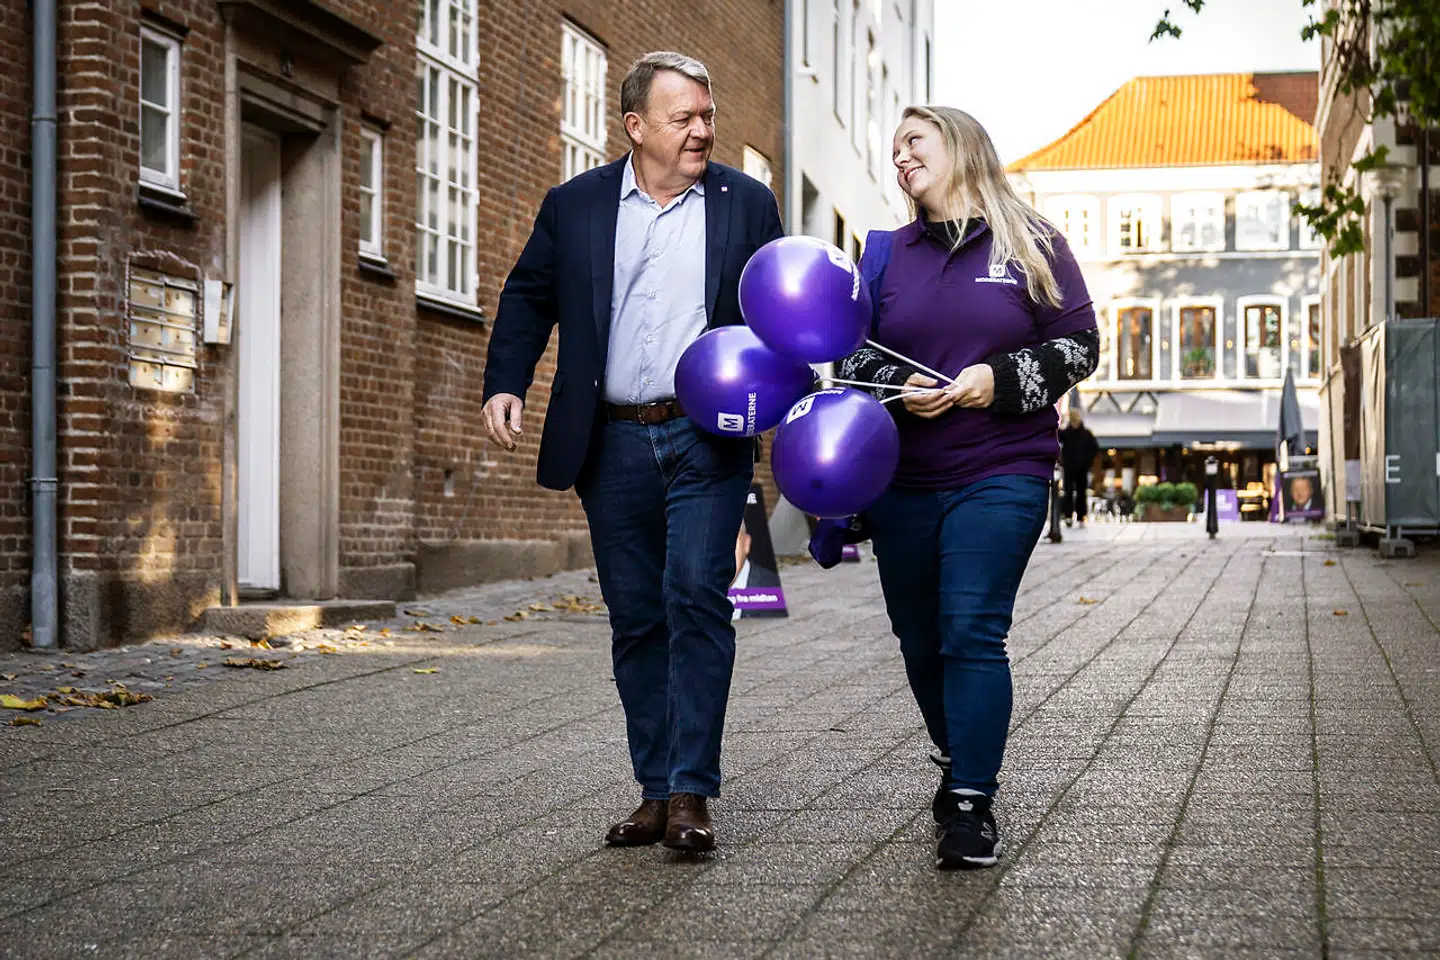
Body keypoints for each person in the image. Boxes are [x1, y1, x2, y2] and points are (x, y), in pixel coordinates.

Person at [481, 51, 784, 853]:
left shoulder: (747, 203)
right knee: (637, 619)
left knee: (696, 595)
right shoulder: (575, 204)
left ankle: (691, 792)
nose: (702, 130)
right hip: (609, 437)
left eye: (708, 115)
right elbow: (528, 294)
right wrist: (504, 381)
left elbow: (782, 312)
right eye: (684, 117)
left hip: (706, 435)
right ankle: (654, 788)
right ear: (635, 127)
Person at [837, 106, 1099, 869]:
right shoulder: (884, 253)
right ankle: (962, 755)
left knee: (971, 629)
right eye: (892, 150)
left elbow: (1080, 344)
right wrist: (899, 382)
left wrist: (997, 381)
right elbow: (849, 356)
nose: (900, 157)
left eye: (914, 141)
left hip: (1003, 464)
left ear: (962, 146)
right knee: (920, 640)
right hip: (903, 476)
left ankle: (969, 801)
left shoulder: (1032, 240)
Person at [1058, 409, 1100, 527]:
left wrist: (1087, 462)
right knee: (1068, 492)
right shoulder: (1065, 433)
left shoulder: (1086, 433)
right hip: (1069, 468)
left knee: (1081, 492)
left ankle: (1081, 516)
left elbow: (1094, 449)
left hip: (1082, 468)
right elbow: (1056, 438)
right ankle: (1068, 516)